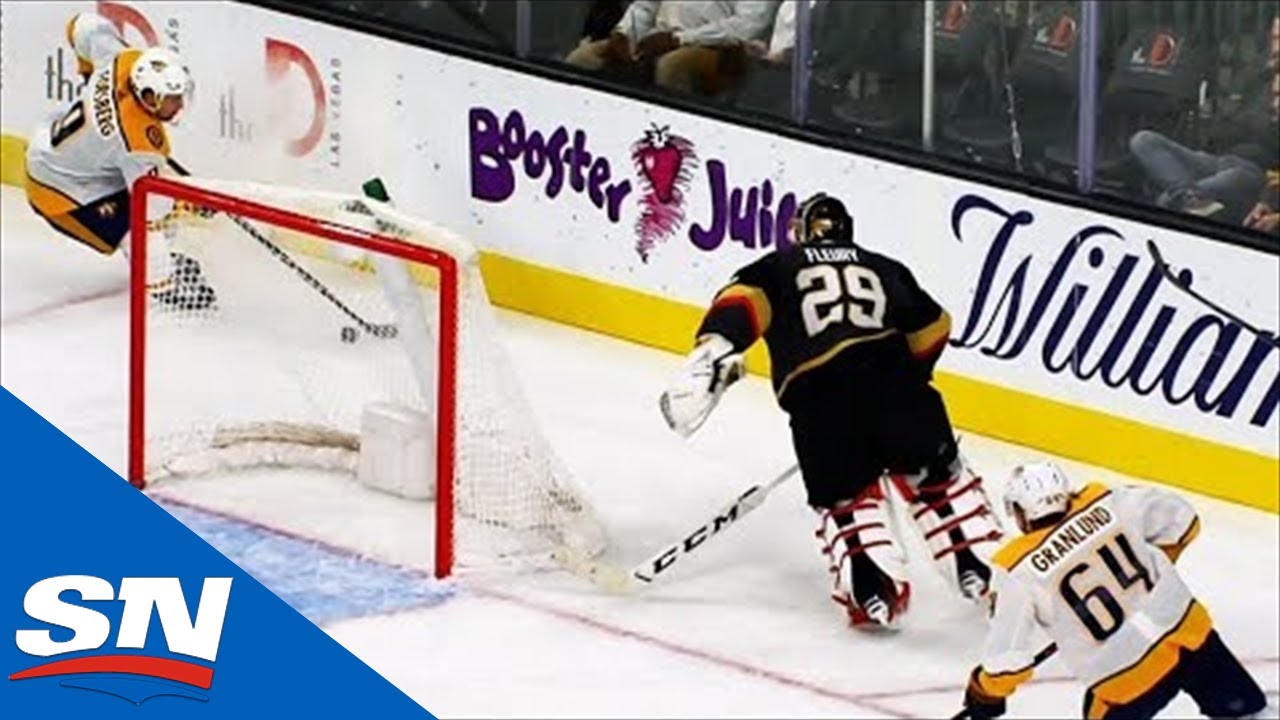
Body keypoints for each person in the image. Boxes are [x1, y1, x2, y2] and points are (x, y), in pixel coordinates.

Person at [660, 192, 1003, 628]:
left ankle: (872, 591)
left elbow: (742, 304)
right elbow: (934, 325)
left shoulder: (777, 266)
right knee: (937, 484)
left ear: (801, 232)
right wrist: (908, 377)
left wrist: (713, 349)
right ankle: (977, 570)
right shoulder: (884, 266)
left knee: (847, 502)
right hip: (898, 384)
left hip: (819, 401)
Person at [960, 462, 1268, 720]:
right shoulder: (1107, 501)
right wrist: (1149, 573)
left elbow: (1007, 663)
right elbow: (1183, 521)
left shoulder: (1016, 567)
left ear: (1022, 512)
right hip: (1189, 638)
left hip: (1128, 677)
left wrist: (983, 693)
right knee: (1248, 714)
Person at [24, 11, 214, 310]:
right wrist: (191, 201)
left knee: (150, 207)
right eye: (171, 98)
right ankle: (165, 291)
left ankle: (162, 267)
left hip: (57, 148)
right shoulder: (138, 141)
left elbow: (82, 24)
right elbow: (151, 208)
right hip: (60, 190)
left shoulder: (123, 61)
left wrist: (91, 75)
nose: (178, 105)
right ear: (148, 95)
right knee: (139, 229)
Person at [565, 0, 778, 96]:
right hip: (658, 38)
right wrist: (623, 33)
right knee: (584, 57)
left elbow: (748, 26)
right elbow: (645, 6)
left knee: (672, 66)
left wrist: (680, 39)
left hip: (719, 50)